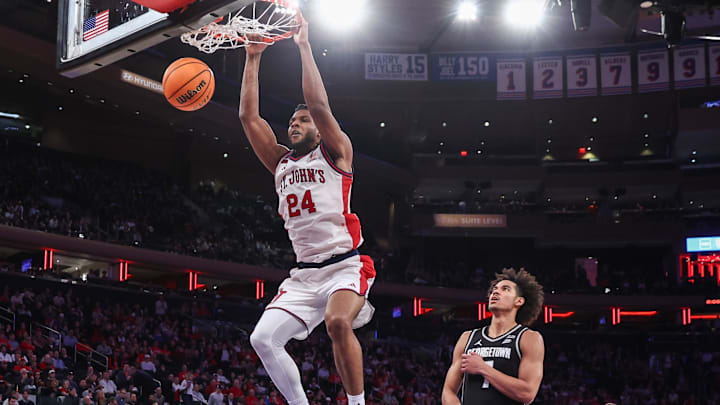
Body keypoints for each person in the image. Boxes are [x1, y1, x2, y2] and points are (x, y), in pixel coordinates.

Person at [239, 16, 376, 405]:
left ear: (319, 128)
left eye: (302, 121)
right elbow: (250, 118)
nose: (294, 125)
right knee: (262, 338)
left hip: (345, 264)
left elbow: (318, 103)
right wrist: (253, 57)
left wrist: (302, 46)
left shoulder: (336, 152)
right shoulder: (281, 163)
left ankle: (357, 403)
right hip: (303, 274)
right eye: (292, 122)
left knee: (336, 323)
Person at [441, 268, 545, 405]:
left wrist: (483, 368)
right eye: (494, 289)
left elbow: (527, 393)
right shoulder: (467, 338)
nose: (495, 292)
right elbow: (448, 391)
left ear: (519, 301)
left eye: (505, 289)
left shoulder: (528, 338)